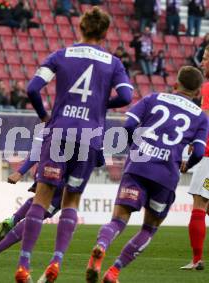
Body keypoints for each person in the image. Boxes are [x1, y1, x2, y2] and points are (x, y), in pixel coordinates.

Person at [14, 7, 133, 283]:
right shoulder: (114, 62)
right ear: (105, 33)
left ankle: (24, 264)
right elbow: (126, 95)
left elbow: (32, 88)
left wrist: (46, 116)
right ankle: (56, 260)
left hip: (59, 131)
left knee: (41, 199)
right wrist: (102, 103)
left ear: (80, 27)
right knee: (71, 201)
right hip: (90, 138)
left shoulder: (61, 54)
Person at [85, 66, 208, 283]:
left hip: (138, 167)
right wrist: (187, 165)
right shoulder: (200, 117)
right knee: (149, 228)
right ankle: (114, 272)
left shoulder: (153, 98)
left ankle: (102, 245)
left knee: (118, 220)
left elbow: (130, 124)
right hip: (166, 176)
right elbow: (199, 151)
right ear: (198, 93)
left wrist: (138, 145)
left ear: (175, 84)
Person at [180, 46, 209, 271]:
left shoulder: (208, 88)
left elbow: (205, 120)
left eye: (207, 58)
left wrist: (193, 142)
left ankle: (197, 259)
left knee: (199, 203)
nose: (203, 62)